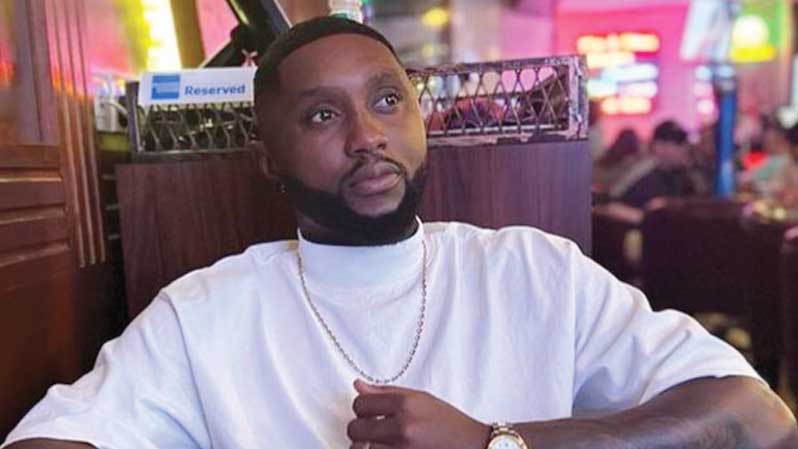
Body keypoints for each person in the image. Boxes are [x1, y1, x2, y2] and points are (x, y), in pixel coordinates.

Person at [3, 17, 796, 449]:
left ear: (420, 116)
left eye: (387, 101)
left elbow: (760, 416)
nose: (367, 136)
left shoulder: (534, 272)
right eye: (323, 115)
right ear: (267, 157)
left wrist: (501, 443)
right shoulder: (205, 312)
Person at [610, 120, 704, 208]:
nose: (685, 149)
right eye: (678, 145)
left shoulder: (684, 174)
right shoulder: (641, 172)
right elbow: (613, 205)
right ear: (659, 147)